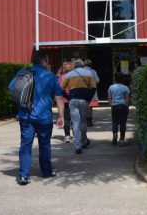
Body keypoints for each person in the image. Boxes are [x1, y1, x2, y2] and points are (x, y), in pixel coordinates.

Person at [9, 50, 65, 185]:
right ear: (44, 61)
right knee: (44, 145)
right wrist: (61, 116)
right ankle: (47, 171)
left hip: (25, 115)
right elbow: (58, 98)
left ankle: (23, 175)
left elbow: (12, 88)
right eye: (47, 60)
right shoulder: (51, 76)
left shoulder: (24, 71)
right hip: (44, 117)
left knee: (25, 145)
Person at [61, 58, 97, 154]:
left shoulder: (69, 75)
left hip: (73, 99)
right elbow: (94, 87)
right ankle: (84, 141)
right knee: (83, 121)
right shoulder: (89, 74)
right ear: (82, 65)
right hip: (84, 100)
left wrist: (68, 97)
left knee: (75, 122)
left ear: (74, 66)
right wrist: (88, 98)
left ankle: (77, 146)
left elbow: (60, 88)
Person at [107, 72, 131, 145]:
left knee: (114, 122)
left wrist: (111, 105)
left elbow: (109, 98)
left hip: (114, 105)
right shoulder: (126, 88)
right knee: (122, 123)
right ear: (123, 79)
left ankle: (114, 135)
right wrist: (127, 107)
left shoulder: (111, 87)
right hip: (123, 105)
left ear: (115, 79)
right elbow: (127, 99)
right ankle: (122, 139)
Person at [56, 61, 74, 142]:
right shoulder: (74, 77)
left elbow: (59, 89)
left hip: (64, 100)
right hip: (73, 99)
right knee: (75, 118)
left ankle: (67, 136)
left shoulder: (61, 77)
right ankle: (76, 134)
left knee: (66, 119)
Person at [83, 58, 100, 126]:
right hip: (91, 90)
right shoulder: (93, 71)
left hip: (83, 90)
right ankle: (89, 121)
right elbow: (97, 81)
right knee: (90, 106)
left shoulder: (81, 71)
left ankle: (83, 120)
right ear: (91, 65)